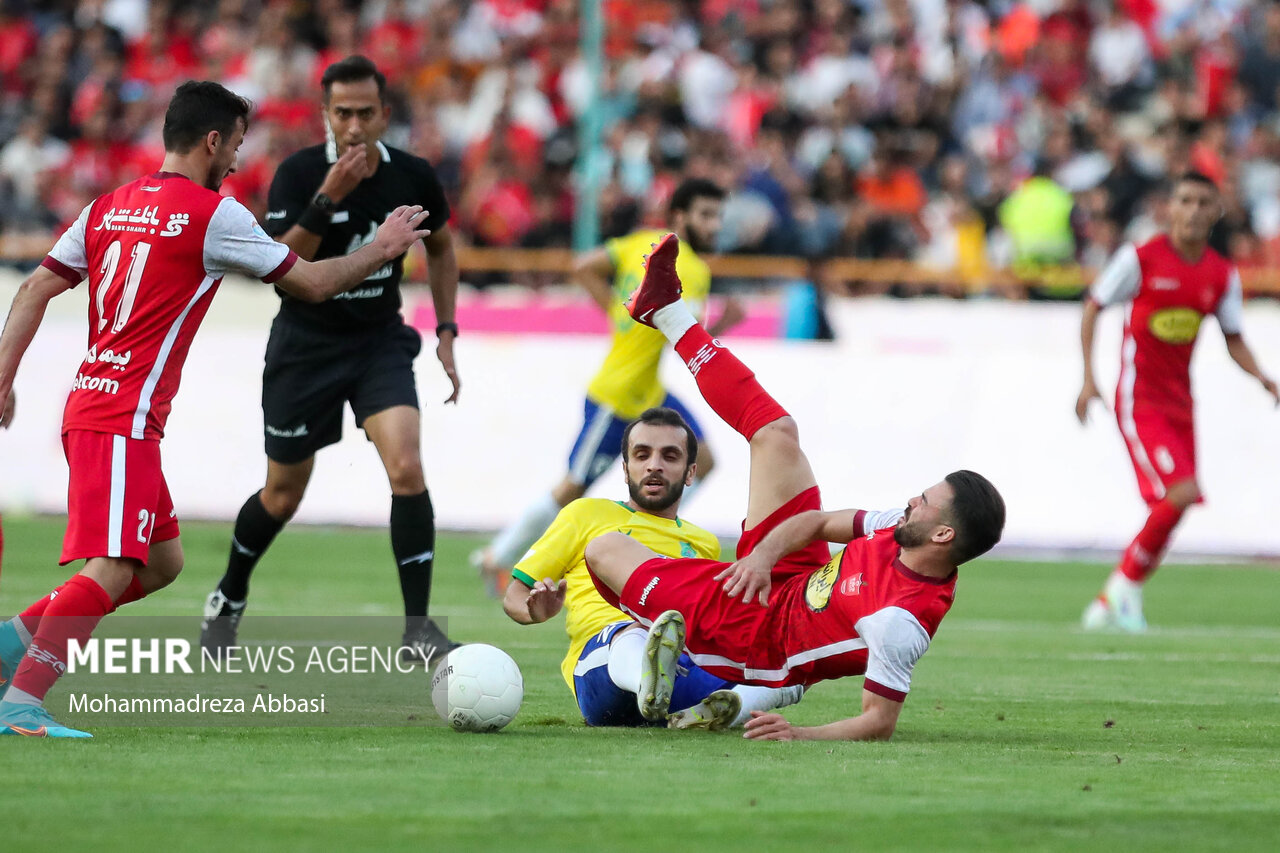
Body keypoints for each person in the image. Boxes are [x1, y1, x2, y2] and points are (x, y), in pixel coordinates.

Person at [0, 80, 432, 737]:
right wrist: (382, 247)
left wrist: (3, 381)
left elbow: (33, 288)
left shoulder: (107, 206)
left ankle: (9, 646)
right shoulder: (213, 214)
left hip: (96, 403)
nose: (236, 158)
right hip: (121, 415)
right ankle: (21, 702)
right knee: (115, 564)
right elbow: (311, 283)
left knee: (162, 562)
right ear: (210, 141)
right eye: (234, 143)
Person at [585, 233, 1006, 741]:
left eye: (925, 502)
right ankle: (668, 312)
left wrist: (798, 734)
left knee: (604, 548)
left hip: (760, 636)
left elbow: (878, 722)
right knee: (777, 435)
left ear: (942, 535)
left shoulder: (901, 620)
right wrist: (762, 557)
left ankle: (734, 685)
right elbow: (820, 523)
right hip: (788, 576)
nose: (911, 501)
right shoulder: (901, 526)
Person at [199, 56, 461, 662]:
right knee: (282, 495)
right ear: (325, 114)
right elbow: (282, 267)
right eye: (342, 112)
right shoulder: (296, 175)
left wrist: (447, 329)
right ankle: (230, 594)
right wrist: (327, 198)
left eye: (365, 112)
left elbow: (443, 248)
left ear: (385, 115)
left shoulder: (414, 176)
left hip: (378, 343)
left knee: (406, 465)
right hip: (306, 347)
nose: (353, 124)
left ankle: (417, 630)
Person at [473, 179, 742, 596]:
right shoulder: (694, 269)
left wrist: (619, 316)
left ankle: (655, 543)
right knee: (572, 489)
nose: (714, 225)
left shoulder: (642, 241)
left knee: (701, 461)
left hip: (648, 391)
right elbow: (686, 338)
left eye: (718, 216)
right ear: (680, 217)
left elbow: (584, 265)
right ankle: (499, 557)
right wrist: (724, 324)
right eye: (706, 215)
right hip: (616, 398)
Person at [502, 406, 802, 729]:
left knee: (789, 662)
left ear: (690, 473)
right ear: (626, 467)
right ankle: (651, 683)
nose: (654, 466)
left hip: (684, 666)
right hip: (604, 670)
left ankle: (710, 712)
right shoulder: (585, 514)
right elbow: (514, 594)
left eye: (670, 457)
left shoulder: (704, 543)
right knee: (636, 630)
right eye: (642, 455)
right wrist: (536, 612)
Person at [1076, 171, 1277, 632]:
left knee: (1174, 503)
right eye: (1183, 199)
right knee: (1179, 494)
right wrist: (1090, 378)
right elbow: (1093, 305)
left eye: (1202, 202)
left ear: (1215, 212)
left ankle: (1113, 600)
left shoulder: (1220, 274)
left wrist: (1264, 377)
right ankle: (1123, 590)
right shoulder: (1141, 259)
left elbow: (1233, 337)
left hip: (1180, 405)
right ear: (1170, 206)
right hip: (1139, 399)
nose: (1192, 209)